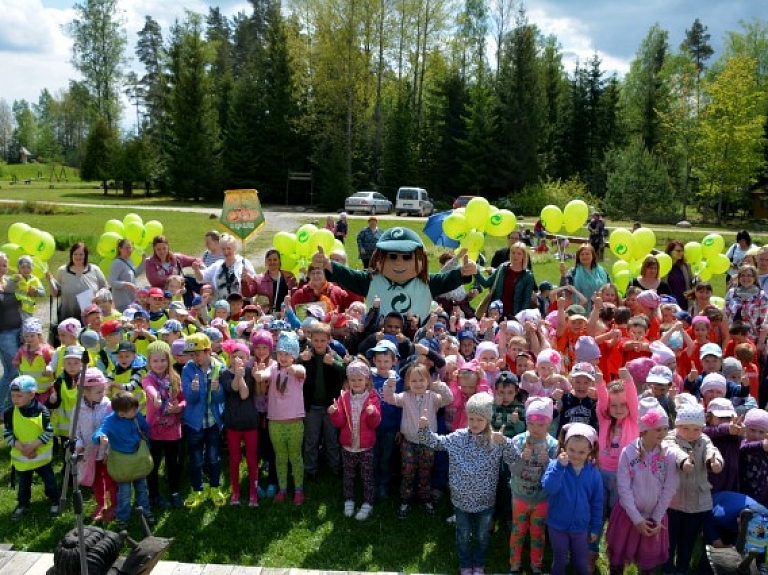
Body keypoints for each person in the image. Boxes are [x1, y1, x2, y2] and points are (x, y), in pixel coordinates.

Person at [419, 393, 515, 575]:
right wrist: (424, 429)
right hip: (460, 501)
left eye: (480, 419)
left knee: (482, 536)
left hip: (485, 502)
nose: (475, 423)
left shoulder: (496, 441)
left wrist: (506, 444)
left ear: (488, 419)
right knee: (462, 536)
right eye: (471, 418)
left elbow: (514, 460)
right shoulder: (458, 437)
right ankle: (465, 565)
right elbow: (435, 442)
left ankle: (478, 564)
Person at [606, 397, 679, 575]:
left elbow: (669, 488)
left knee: (648, 563)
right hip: (627, 515)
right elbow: (623, 488)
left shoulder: (669, 454)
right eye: (657, 429)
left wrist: (656, 517)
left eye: (664, 428)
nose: (662, 433)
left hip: (654, 517)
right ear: (645, 430)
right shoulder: (629, 452)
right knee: (618, 556)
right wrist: (637, 519)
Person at [662, 393, 724, 575]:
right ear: (677, 425)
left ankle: (682, 568)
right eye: (685, 428)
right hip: (674, 502)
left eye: (696, 429)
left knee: (688, 540)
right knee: (670, 539)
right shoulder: (670, 438)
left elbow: (712, 452)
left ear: (702, 429)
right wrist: (683, 461)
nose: (690, 434)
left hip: (697, 503)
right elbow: (670, 450)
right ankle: (667, 568)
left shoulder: (704, 440)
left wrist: (715, 462)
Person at [384, 363, 453, 518]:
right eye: (413, 381)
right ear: (408, 383)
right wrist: (389, 384)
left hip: (428, 442)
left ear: (428, 381)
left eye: (421, 380)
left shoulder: (433, 397)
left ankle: (425, 498)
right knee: (407, 472)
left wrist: (440, 386)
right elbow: (389, 398)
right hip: (409, 442)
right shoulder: (405, 397)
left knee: (425, 472)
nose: (418, 384)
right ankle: (405, 500)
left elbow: (449, 399)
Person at [253, 331, 307, 505]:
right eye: (281, 353)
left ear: (294, 355)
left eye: (288, 354)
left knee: (295, 457)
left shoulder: (298, 369)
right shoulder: (274, 367)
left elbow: (300, 371)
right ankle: (283, 489)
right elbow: (265, 375)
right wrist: (258, 375)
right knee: (280, 457)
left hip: (295, 422)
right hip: (275, 422)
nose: (283, 357)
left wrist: (293, 367)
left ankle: (298, 489)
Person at [542, 422, 603, 575]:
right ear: (564, 446)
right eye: (572, 450)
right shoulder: (556, 465)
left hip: (581, 527)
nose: (575, 455)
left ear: (590, 450)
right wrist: (559, 468)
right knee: (560, 560)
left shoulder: (593, 473)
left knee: (581, 561)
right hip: (557, 526)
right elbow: (549, 487)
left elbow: (597, 503)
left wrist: (595, 528)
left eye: (581, 452)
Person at [509, 397, 559, 575]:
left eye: (541, 425)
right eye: (531, 424)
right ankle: (514, 565)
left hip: (541, 499)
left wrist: (548, 464)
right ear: (527, 421)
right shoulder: (517, 441)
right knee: (518, 531)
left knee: (538, 534)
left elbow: (555, 477)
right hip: (520, 497)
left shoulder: (553, 445)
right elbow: (513, 471)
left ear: (549, 424)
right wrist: (523, 459)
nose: (535, 429)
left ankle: (535, 565)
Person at [93, 390, 154, 529]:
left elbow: (145, 429)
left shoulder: (137, 416)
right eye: (132, 410)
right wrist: (100, 437)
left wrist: (147, 447)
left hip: (139, 458)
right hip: (122, 463)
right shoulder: (111, 420)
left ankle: (145, 511)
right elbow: (99, 432)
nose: (136, 411)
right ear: (121, 414)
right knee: (124, 493)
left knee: (142, 488)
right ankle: (123, 517)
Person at [329, 359, 381, 520]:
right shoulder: (343, 398)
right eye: (353, 380)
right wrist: (334, 413)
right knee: (349, 475)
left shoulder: (373, 398)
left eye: (360, 379)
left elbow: (376, 424)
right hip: (348, 446)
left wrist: (373, 413)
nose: (356, 382)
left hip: (366, 447)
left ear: (367, 380)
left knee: (367, 476)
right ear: (348, 381)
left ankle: (368, 503)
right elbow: (340, 423)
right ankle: (349, 500)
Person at [4, 375, 60, 521]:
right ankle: (23, 504)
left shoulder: (43, 411)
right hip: (23, 458)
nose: (15, 399)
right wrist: (21, 448)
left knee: (49, 481)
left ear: (31, 394)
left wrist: (33, 446)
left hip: (41, 457)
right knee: (23, 484)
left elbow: (49, 432)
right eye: (13, 395)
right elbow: (8, 433)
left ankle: (55, 500)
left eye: (19, 395)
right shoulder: (9, 413)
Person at [181, 333, 226, 508]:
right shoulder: (188, 369)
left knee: (214, 457)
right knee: (196, 458)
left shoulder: (218, 367)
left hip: (213, 422)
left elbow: (222, 398)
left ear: (208, 351)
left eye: (197, 353)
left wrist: (217, 390)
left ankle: (215, 486)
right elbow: (189, 399)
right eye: (191, 355)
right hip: (195, 423)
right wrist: (192, 390)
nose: (194, 358)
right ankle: (197, 488)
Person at [143, 340, 186, 510]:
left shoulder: (175, 378)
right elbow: (150, 390)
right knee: (152, 463)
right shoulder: (148, 379)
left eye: (163, 360)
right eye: (155, 361)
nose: (159, 364)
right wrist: (156, 398)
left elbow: (183, 400)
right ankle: (153, 494)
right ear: (149, 362)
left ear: (169, 360)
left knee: (172, 463)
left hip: (173, 429)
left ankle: (174, 491)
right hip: (153, 429)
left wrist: (178, 408)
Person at [220, 339, 261, 507]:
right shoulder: (224, 374)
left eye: (242, 357)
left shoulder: (251, 372)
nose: (238, 360)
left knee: (252, 459)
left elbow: (245, 394)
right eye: (234, 357)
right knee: (235, 459)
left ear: (247, 358)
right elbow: (234, 388)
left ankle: (253, 492)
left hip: (250, 423)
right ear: (229, 358)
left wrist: (242, 375)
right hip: (233, 424)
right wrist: (237, 375)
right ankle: (235, 492)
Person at [75, 367, 117, 523]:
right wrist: (79, 445)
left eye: (103, 390)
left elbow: (113, 429)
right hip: (89, 452)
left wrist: (108, 450)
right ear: (84, 391)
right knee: (96, 480)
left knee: (111, 479)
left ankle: (115, 505)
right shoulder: (78, 408)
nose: (102, 394)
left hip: (107, 452)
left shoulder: (108, 405)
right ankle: (101, 503)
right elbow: (75, 431)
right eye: (98, 392)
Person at [46, 242, 108, 323]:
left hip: (90, 317)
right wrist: (50, 280)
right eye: (75, 254)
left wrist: (99, 296)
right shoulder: (62, 271)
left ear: (85, 255)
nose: (78, 257)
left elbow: (105, 288)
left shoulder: (95, 270)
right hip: (67, 317)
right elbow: (55, 294)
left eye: (81, 254)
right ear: (71, 255)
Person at [475, 242, 535, 320]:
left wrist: (519, 318)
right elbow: (486, 283)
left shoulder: (528, 276)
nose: (515, 256)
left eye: (519, 254)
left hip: (513, 316)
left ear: (524, 256)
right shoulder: (502, 267)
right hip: (495, 314)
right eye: (513, 253)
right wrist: (475, 272)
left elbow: (526, 302)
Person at [193, 233, 255, 301]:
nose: (226, 251)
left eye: (229, 248)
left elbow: (254, 282)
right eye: (223, 249)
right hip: (222, 307)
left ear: (234, 248)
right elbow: (201, 278)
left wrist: (248, 278)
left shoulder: (244, 263)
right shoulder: (217, 265)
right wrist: (196, 270)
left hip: (240, 304)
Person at [0, 251, 23, 409]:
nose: (2, 268)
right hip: (4, 333)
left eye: (4, 264)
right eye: (0, 264)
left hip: (18, 330)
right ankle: (2, 405)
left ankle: (7, 404)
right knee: (12, 369)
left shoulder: (9, 281)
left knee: (14, 369)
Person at [241, 249, 297, 314]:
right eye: (269, 260)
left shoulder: (289, 277)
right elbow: (248, 294)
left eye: (275, 260)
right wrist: (244, 282)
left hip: (286, 314)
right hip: (267, 316)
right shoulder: (259, 279)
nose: (272, 262)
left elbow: (295, 294)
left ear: (279, 261)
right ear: (266, 262)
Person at [559, 245, 609, 314]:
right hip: (579, 311)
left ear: (593, 256)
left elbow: (609, 288)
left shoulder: (602, 271)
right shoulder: (573, 272)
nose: (585, 256)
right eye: (582, 254)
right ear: (578, 257)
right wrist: (563, 275)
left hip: (600, 310)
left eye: (587, 254)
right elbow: (565, 290)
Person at [724, 264, 768, 340]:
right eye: (743, 275)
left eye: (749, 275)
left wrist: (761, 342)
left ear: (754, 278)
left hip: (752, 339)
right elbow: (725, 316)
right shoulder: (731, 293)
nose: (745, 278)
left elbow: (764, 322)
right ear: (739, 278)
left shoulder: (761, 295)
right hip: (731, 337)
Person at [109, 238, 145, 312]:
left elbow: (136, 273)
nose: (129, 250)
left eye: (130, 247)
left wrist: (143, 261)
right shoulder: (117, 263)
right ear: (120, 249)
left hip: (131, 301)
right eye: (126, 248)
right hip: (122, 303)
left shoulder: (129, 260)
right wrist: (126, 284)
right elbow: (112, 282)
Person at [11, 255, 44, 320]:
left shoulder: (35, 279)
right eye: (23, 267)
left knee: (28, 327)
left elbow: (43, 293)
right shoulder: (15, 277)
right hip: (17, 308)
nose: (26, 270)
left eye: (28, 267)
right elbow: (7, 288)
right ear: (18, 268)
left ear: (32, 268)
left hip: (30, 308)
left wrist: (36, 290)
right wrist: (14, 281)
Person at [663, 241, 694, 311]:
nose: (681, 253)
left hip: (685, 304)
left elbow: (692, 282)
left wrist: (692, 290)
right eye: (678, 251)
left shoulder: (686, 266)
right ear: (670, 251)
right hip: (669, 305)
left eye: (682, 251)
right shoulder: (664, 266)